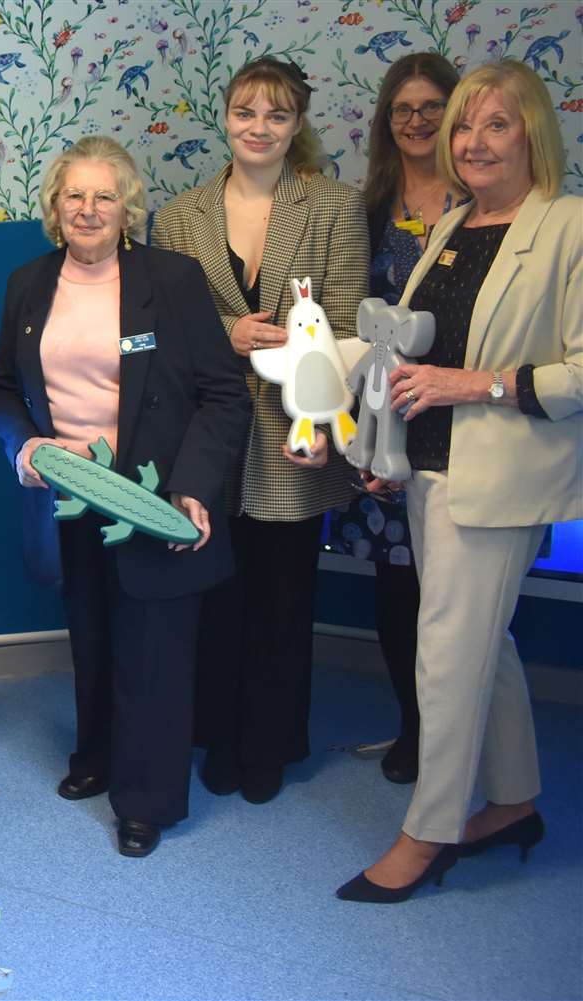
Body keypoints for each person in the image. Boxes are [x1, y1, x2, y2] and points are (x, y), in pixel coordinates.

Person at [338, 60, 580, 903]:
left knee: (444, 657)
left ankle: (427, 831)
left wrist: (470, 385)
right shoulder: (454, 224)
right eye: (465, 129)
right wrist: (379, 438)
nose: (475, 143)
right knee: (489, 647)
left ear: (533, 134)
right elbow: (410, 347)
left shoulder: (570, 227)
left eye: (496, 125)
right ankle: (513, 803)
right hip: (427, 467)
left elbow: (578, 371)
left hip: (500, 477)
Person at [0, 136, 250, 857]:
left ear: (127, 207)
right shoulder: (28, 284)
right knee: (94, 637)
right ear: (55, 205)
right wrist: (26, 446)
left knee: (154, 655)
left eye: (105, 196)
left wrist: (195, 490)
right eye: (75, 194)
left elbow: (224, 397)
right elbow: (5, 390)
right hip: (68, 499)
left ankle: (147, 799)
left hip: (153, 500)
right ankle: (97, 756)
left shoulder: (173, 279)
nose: (89, 208)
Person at [151, 57, 370, 806]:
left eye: (277, 115)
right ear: (226, 116)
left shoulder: (335, 207)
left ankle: (270, 743)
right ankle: (220, 734)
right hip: (210, 430)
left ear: (298, 124)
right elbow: (170, 326)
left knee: (282, 595)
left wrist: (321, 421)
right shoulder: (183, 215)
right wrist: (227, 330)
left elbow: (344, 324)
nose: (260, 128)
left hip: (294, 428)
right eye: (247, 112)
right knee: (215, 591)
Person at [339, 51, 461, 785]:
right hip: (386, 422)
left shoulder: (483, 202)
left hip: (461, 412)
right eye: (402, 109)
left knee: (459, 588)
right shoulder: (369, 204)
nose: (416, 121)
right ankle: (413, 728)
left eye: (430, 107)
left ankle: (461, 731)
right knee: (396, 584)